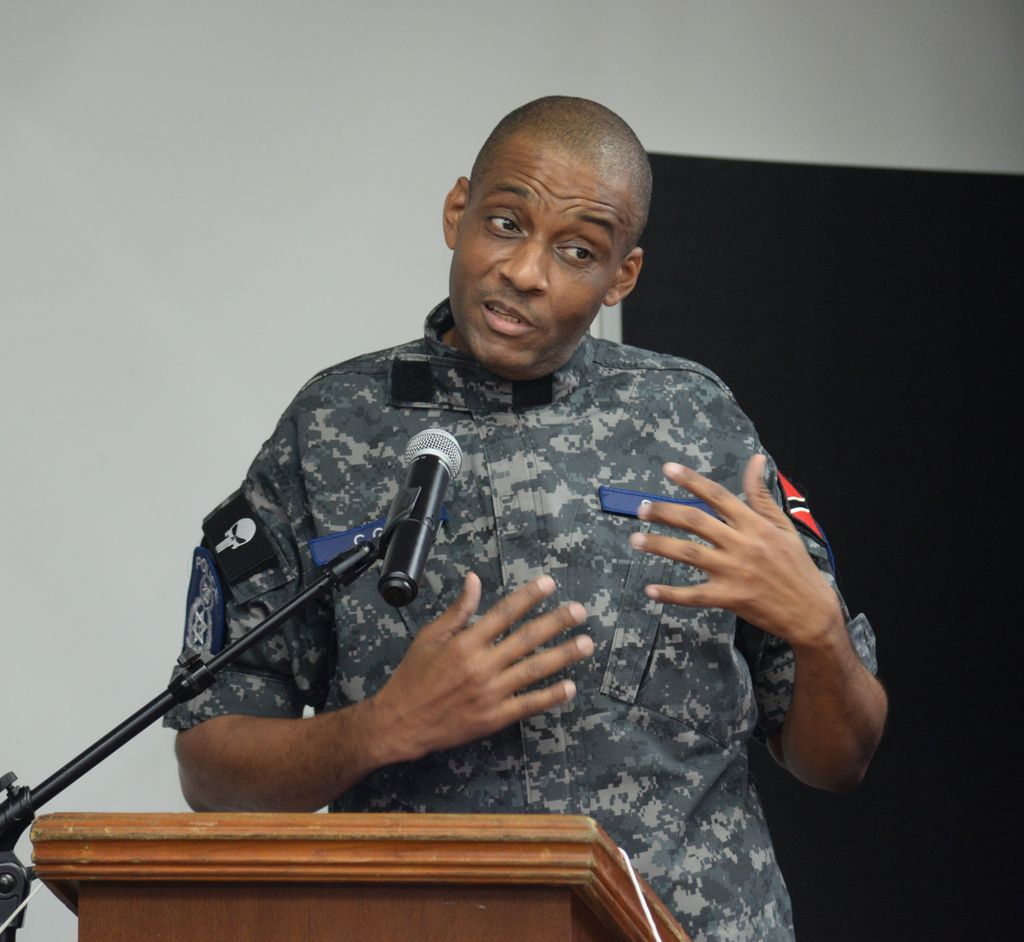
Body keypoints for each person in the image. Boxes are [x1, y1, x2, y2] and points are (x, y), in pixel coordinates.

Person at [166, 96, 887, 941]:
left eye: (577, 251)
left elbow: (839, 760)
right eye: (506, 224)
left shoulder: (696, 422)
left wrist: (821, 636)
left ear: (622, 276)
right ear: (457, 211)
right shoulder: (329, 428)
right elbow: (209, 764)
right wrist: (377, 729)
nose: (526, 272)